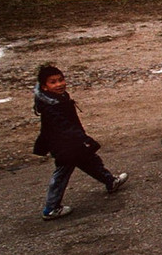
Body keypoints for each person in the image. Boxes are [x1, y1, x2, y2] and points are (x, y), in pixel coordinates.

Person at [32, 65, 128, 220]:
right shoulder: (51, 106)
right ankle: (51, 208)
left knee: (90, 161)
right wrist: (84, 139)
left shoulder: (56, 99)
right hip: (64, 146)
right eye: (53, 82)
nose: (59, 84)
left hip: (72, 142)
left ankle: (110, 181)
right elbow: (64, 126)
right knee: (62, 173)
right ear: (45, 86)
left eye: (61, 80)